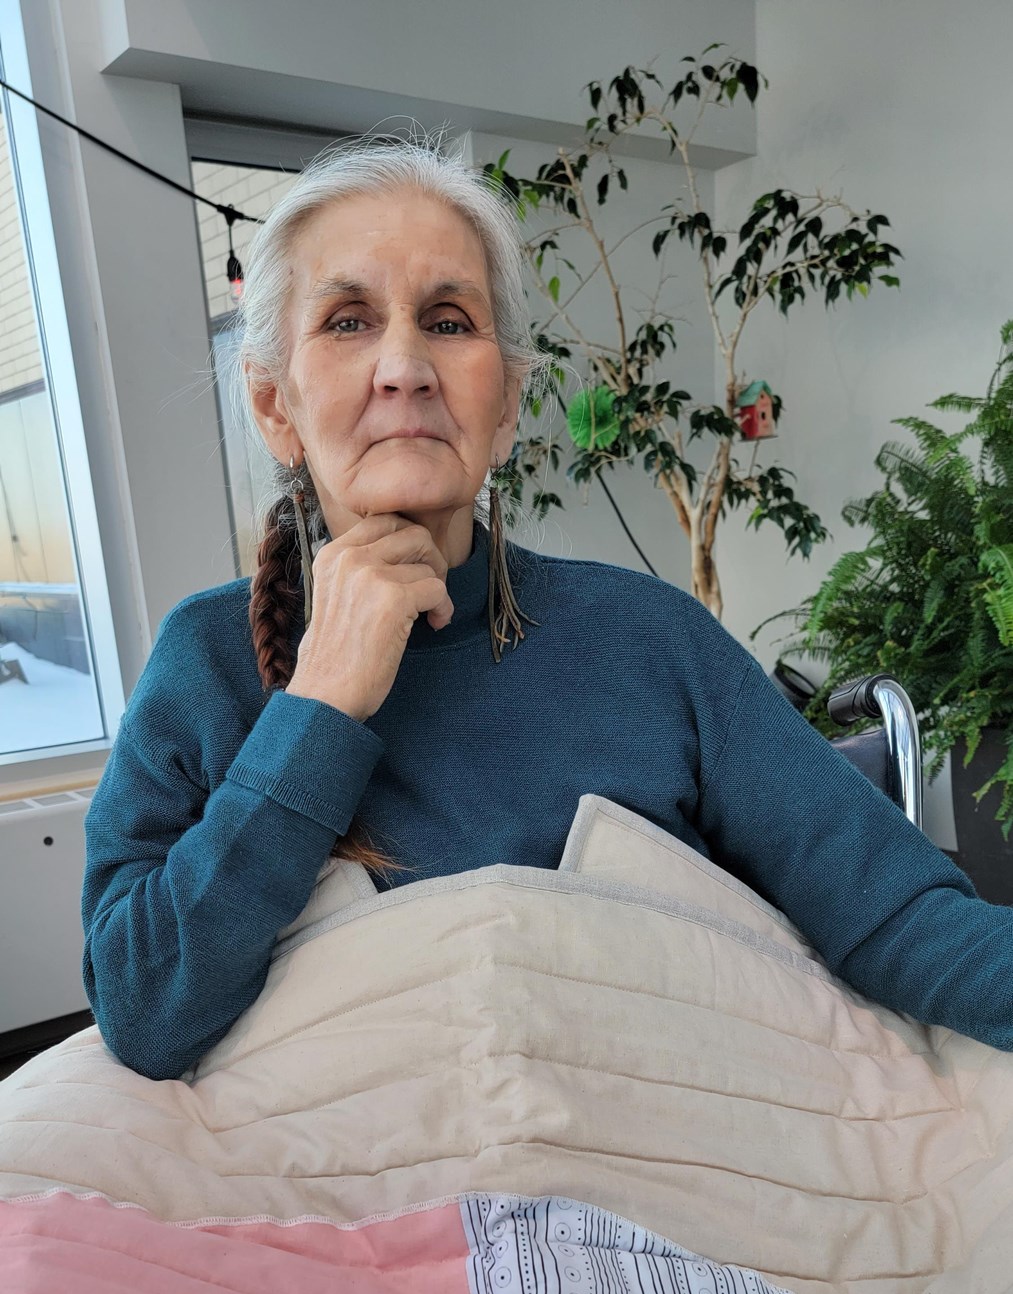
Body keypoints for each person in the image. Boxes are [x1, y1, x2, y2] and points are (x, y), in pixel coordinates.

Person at [82, 132, 1012, 1083]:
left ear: (508, 405)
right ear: (273, 404)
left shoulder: (652, 640)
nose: (405, 365)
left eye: (448, 321)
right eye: (349, 321)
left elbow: (897, 916)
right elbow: (145, 1012)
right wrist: (317, 707)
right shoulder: (205, 661)